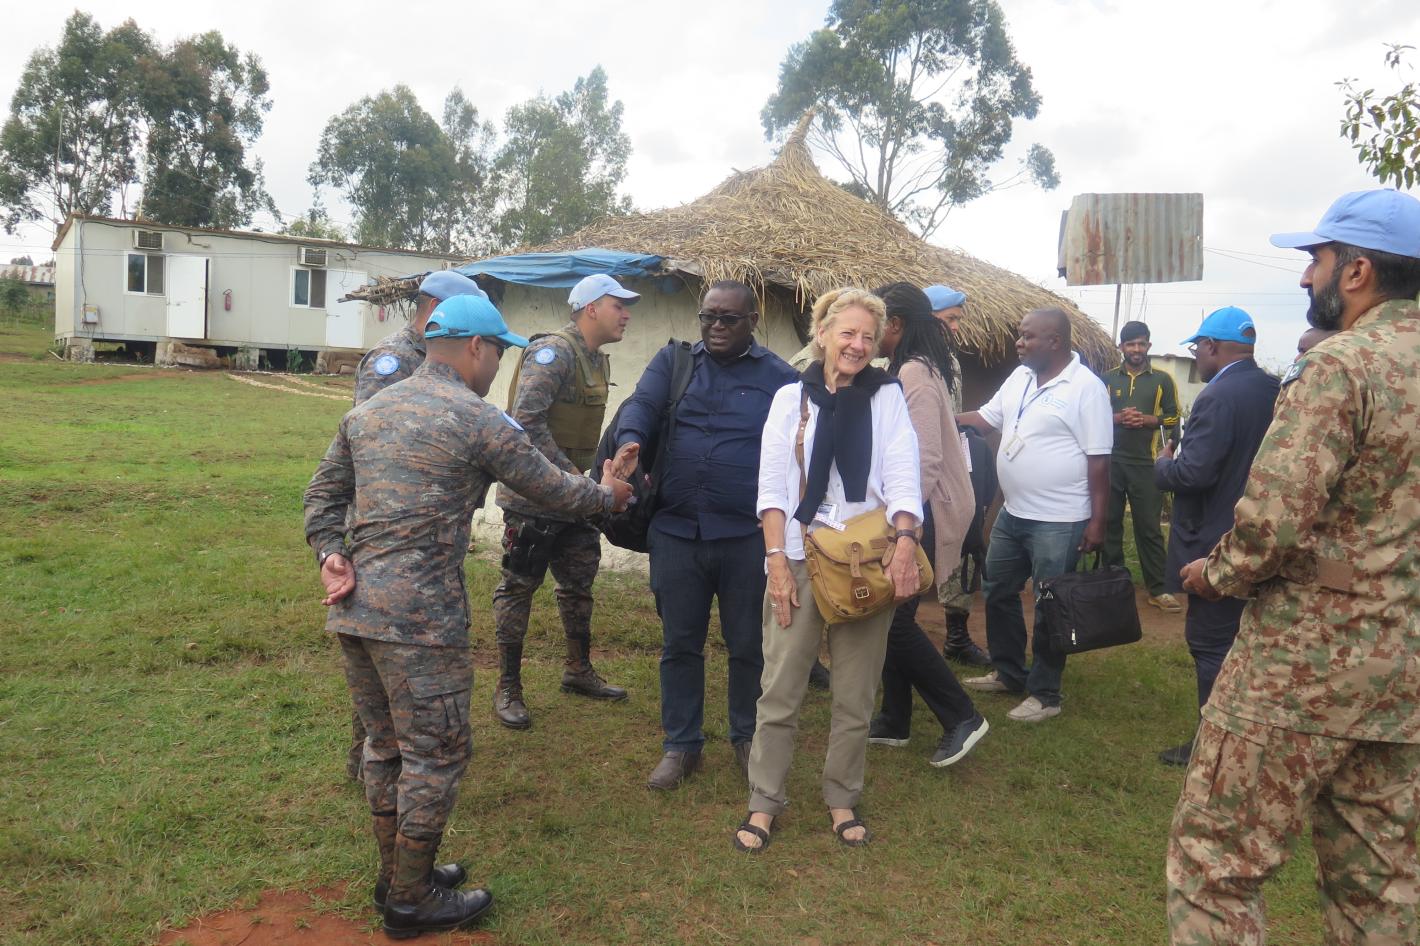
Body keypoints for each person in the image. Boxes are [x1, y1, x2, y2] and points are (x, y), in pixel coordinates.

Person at [303, 294, 635, 938]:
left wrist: (330, 553)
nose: (497, 367)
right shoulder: (478, 418)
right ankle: (411, 902)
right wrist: (608, 494)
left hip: (355, 609)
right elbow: (552, 488)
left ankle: (398, 875)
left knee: (384, 748)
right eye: (498, 354)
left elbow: (322, 494)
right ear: (476, 348)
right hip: (422, 621)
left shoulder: (369, 412)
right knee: (435, 755)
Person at [1167, 188, 1420, 945]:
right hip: (1405, 681)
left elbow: (1272, 523)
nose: (1306, 276)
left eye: (1317, 259)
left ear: (1358, 272)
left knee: (1216, 867)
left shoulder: (1342, 366)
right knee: (1384, 888)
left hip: (1301, 668)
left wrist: (1216, 575)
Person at [734, 288, 922, 852]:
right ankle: (764, 800)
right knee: (780, 687)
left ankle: (842, 796)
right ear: (822, 335)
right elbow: (771, 488)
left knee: (855, 694)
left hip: (866, 560)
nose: (858, 345)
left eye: (868, 336)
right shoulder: (790, 399)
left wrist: (906, 541)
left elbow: (903, 472)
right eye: (847, 333)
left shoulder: (887, 397)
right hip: (798, 554)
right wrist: (776, 562)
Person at [614, 280, 797, 789]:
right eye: (708, 317)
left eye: (728, 319)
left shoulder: (781, 378)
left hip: (746, 536)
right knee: (680, 643)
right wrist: (631, 441)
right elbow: (641, 405)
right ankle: (681, 745)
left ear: (752, 321)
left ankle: (747, 738)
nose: (715, 326)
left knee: (748, 644)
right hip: (677, 530)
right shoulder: (674, 362)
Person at [340, 269, 486, 783]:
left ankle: (387, 760)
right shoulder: (393, 360)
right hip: (387, 531)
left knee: (396, 666)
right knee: (382, 658)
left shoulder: (436, 360)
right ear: (433, 310)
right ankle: (372, 762)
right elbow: (369, 444)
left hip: (425, 532)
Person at [491, 273, 636, 730]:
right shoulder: (552, 353)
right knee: (519, 586)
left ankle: (577, 670)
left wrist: (604, 472)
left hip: (575, 495)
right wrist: (577, 479)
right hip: (534, 497)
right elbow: (526, 423)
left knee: (578, 583)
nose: (626, 314)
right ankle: (508, 686)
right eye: (618, 305)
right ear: (591, 308)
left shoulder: (596, 359)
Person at [957, 308, 1112, 723]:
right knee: (997, 589)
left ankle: (1045, 694)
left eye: (1027, 336)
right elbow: (986, 420)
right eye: (1020, 335)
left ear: (1055, 341)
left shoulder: (1086, 388)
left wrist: (1098, 522)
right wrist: (937, 420)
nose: (1019, 343)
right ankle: (1009, 672)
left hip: (1060, 519)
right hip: (1014, 511)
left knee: (1050, 605)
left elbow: (1099, 460)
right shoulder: (1021, 377)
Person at [866, 283, 989, 768]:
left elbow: (926, 458)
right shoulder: (910, 367)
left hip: (927, 508)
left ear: (895, 324)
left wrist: (903, 526)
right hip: (922, 506)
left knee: (893, 623)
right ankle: (895, 719)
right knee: (894, 615)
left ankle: (962, 715)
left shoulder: (914, 372)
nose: (869, 333)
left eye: (877, 322)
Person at [1152, 307, 1279, 766]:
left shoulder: (1217, 396)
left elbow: (1194, 474)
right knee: (1244, 642)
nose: (1196, 358)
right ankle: (1243, 733)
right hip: (1260, 535)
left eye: (1196, 349)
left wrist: (1163, 465)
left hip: (1215, 541)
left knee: (1209, 644)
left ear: (1210, 347)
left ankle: (1213, 746)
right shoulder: (1273, 388)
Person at [924, 284, 991, 667]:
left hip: (949, 471)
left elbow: (952, 422)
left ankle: (957, 635)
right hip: (912, 474)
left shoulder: (950, 362)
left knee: (961, 544)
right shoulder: (891, 360)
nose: (955, 328)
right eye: (949, 319)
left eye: (957, 320)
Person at [1102, 320, 1180, 613]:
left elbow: (1175, 419)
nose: (1136, 349)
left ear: (1149, 345)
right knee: (1110, 524)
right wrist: (1118, 418)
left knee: (1148, 528)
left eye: (1141, 343)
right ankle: (1114, 584)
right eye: (1130, 344)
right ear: (1121, 347)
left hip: (1146, 465)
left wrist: (1150, 420)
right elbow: (1092, 415)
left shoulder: (1162, 380)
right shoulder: (1107, 379)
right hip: (1111, 461)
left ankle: (1158, 589)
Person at [353, 271, 486, 405]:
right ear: (436, 308)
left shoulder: (440, 353)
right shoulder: (394, 356)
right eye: (464, 312)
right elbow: (371, 416)